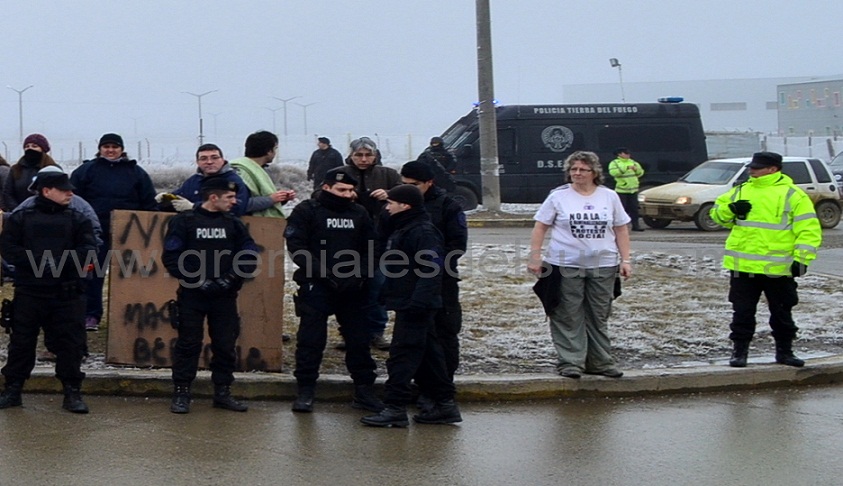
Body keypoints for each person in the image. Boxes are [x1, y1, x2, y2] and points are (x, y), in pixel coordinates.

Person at [360, 184, 461, 427]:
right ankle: (446, 405)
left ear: (405, 205)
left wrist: (418, 302)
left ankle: (395, 407)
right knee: (430, 356)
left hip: (416, 305)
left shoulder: (423, 232)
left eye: (391, 202)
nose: (387, 206)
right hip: (409, 301)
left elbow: (432, 269)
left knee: (402, 355)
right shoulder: (404, 227)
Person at [284, 167, 383, 414]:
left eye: (351, 190)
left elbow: (372, 248)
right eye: (342, 189)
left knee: (359, 340)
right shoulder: (307, 211)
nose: (348, 194)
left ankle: (363, 390)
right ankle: (305, 391)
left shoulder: (359, 212)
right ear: (326, 187)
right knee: (311, 340)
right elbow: (297, 246)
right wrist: (325, 274)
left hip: (353, 287)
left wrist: (359, 274)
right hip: (316, 285)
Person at [710, 151, 822, 368]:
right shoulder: (741, 190)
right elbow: (717, 216)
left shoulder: (793, 195)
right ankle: (739, 352)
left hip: (778, 267)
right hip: (743, 266)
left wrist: (802, 259)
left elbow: (809, 230)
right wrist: (729, 209)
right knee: (742, 312)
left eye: (757, 168)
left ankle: (785, 352)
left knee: (781, 311)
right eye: (751, 167)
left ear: (773, 169)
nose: (752, 171)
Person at [528, 151, 632, 379]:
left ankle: (601, 362)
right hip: (564, 264)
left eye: (583, 169)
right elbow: (540, 227)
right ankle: (571, 362)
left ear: (594, 172)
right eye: (573, 169)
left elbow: (621, 228)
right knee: (568, 313)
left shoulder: (609, 196)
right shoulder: (558, 196)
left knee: (598, 314)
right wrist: (535, 257)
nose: (577, 173)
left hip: (603, 264)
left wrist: (625, 260)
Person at [0, 168, 97, 413]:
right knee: (21, 343)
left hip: (66, 292)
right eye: (64, 190)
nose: (70, 194)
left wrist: (59, 262)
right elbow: (8, 248)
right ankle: (13, 390)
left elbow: (89, 248)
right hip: (30, 291)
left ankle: (72, 392)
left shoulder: (77, 218)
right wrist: (37, 261)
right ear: (46, 191)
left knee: (70, 345)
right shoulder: (22, 217)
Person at [162, 178, 259, 414]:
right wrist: (197, 281)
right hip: (193, 295)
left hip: (224, 296)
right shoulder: (184, 221)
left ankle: (223, 392)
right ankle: (182, 392)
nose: (235, 202)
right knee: (188, 344)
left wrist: (230, 279)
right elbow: (172, 257)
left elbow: (248, 255)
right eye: (230, 197)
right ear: (213, 198)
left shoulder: (234, 224)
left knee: (225, 345)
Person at [70, 133, 157, 332]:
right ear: (100, 149)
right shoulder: (86, 171)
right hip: (94, 233)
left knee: (131, 275)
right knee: (92, 274)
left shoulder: (136, 173)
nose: (110, 150)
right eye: (106, 146)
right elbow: (73, 199)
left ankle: (132, 315)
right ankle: (91, 314)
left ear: (122, 149)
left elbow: (149, 202)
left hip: (130, 233)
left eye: (114, 147)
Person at [397, 161, 467, 407]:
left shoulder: (449, 206)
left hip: (442, 280)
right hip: (410, 283)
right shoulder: (402, 203)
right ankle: (421, 384)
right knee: (418, 337)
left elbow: (458, 245)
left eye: (414, 185)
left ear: (429, 183)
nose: (409, 189)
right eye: (404, 184)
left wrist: (432, 267)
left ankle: (441, 390)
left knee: (444, 333)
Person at [340, 137, 401, 350]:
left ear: (375, 156)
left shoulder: (388, 175)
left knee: (377, 286)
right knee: (349, 289)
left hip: (380, 240)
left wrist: (390, 194)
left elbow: (408, 196)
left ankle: (376, 331)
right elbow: (320, 194)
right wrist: (344, 195)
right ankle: (349, 332)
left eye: (368, 155)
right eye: (359, 155)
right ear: (351, 155)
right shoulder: (340, 173)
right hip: (348, 241)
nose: (364, 159)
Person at [157, 143, 251, 217]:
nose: (209, 162)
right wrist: (166, 198)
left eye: (214, 158)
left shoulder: (233, 181)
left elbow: (237, 209)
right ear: (197, 162)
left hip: (222, 232)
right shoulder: (193, 181)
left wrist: (194, 207)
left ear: (222, 160)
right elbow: (179, 198)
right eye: (203, 159)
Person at [228, 130, 295, 218]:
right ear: (268, 151)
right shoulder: (240, 171)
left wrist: (280, 199)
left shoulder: (260, 170)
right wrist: (271, 199)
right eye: (275, 148)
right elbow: (238, 204)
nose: (275, 153)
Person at [3, 133, 58, 211]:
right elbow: (8, 193)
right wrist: (18, 210)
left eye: (34, 146)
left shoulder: (52, 169)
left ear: (43, 149)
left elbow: (58, 193)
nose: (30, 149)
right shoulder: (16, 169)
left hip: (46, 214)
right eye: (27, 146)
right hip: (19, 215)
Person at [608, 147, 645, 232]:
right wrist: (626, 168)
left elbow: (641, 172)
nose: (628, 155)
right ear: (620, 154)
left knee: (634, 209)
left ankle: (636, 226)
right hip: (622, 190)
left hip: (633, 190)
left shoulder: (633, 162)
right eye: (626, 153)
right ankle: (621, 227)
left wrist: (637, 170)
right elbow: (613, 173)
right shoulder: (615, 163)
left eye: (628, 153)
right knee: (622, 209)